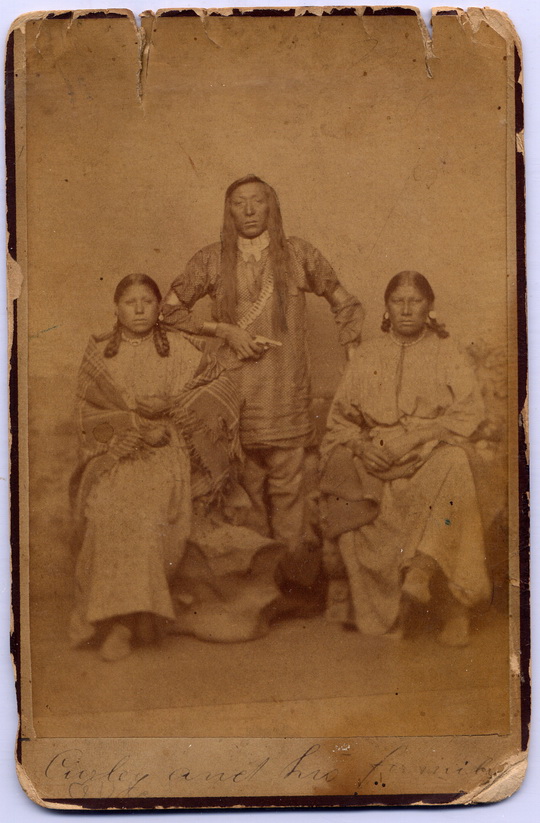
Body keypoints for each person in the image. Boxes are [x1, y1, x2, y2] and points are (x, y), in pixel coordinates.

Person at [160, 175, 364, 592]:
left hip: (286, 390)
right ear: (228, 210)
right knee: (242, 490)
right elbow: (168, 314)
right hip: (233, 397)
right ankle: (253, 586)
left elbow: (345, 303)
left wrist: (355, 365)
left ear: (272, 207)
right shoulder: (211, 260)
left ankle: (291, 582)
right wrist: (223, 331)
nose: (250, 211)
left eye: (258, 201)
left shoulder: (299, 254)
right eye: (239, 203)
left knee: (290, 490)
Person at [70, 274, 282, 661]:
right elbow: (88, 414)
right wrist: (133, 424)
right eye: (130, 302)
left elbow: (221, 389)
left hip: (169, 450)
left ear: (157, 307)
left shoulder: (180, 348)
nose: (138, 309)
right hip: (119, 452)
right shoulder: (100, 352)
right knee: (107, 510)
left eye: (147, 302)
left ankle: (124, 625)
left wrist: (172, 407)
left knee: (148, 512)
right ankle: (115, 618)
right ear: (116, 308)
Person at [320, 271, 491, 646]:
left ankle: (430, 580)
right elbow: (340, 422)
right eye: (398, 301)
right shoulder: (367, 355)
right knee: (349, 475)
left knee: (456, 466)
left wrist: (420, 436)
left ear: (429, 306)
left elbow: (470, 412)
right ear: (387, 307)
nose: (407, 309)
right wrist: (364, 448)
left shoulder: (447, 352)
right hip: (377, 461)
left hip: (429, 453)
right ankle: (400, 595)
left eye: (416, 301)